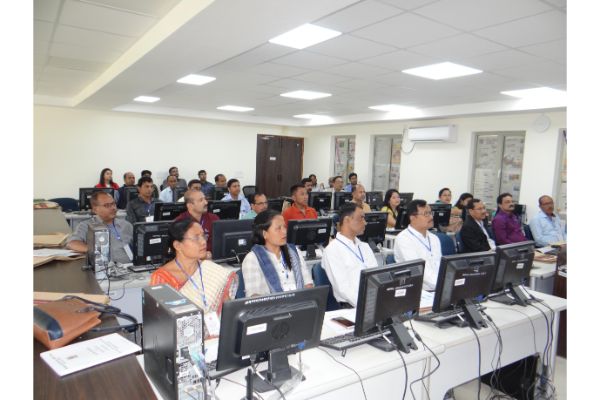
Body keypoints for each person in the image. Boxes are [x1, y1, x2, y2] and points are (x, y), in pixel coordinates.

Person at [150, 218, 237, 314]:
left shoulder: (210, 270)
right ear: (178, 245)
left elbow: (228, 310)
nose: (203, 242)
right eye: (196, 238)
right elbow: (161, 319)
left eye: (203, 236)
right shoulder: (162, 278)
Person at [242, 210, 314, 297]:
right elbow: (254, 297)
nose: (284, 232)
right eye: (278, 228)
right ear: (265, 234)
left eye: (284, 227)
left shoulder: (294, 252)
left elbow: (308, 284)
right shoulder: (252, 259)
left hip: (299, 305)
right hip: (272, 309)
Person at [321, 203, 378, 307]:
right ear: (347, 220)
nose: (365, 223)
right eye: (361, 218)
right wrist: (368, 305)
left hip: (374, 300)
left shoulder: (364, 246)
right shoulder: (332, 250)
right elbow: (343, 289)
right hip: (352, 305)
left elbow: (376, 276)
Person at [66, 191, 133, 264]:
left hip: (132, 268)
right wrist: (97, 251)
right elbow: (72, 243)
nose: (113, 208)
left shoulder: (126, 224)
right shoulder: (86, 225)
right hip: (108, 269)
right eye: (107, 205)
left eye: (113, 204)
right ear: (95, 210)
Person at [393, 200, 442, 291]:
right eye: (426, 214)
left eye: (431, 213)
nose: (431, 217)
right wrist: (443, 285)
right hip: (417, 291)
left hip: (438, 287)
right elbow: (418, 270)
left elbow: (439, 265)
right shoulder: (404, 239)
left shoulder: (434, 238)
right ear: (412, 217)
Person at [174, 189, 219, 254]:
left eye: (205, 199)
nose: (206, 202)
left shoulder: (213, 218)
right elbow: (180, 249)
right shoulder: (180, 222)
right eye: (201, 200)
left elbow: (218, 242)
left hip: (211, 258)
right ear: (190, 205)